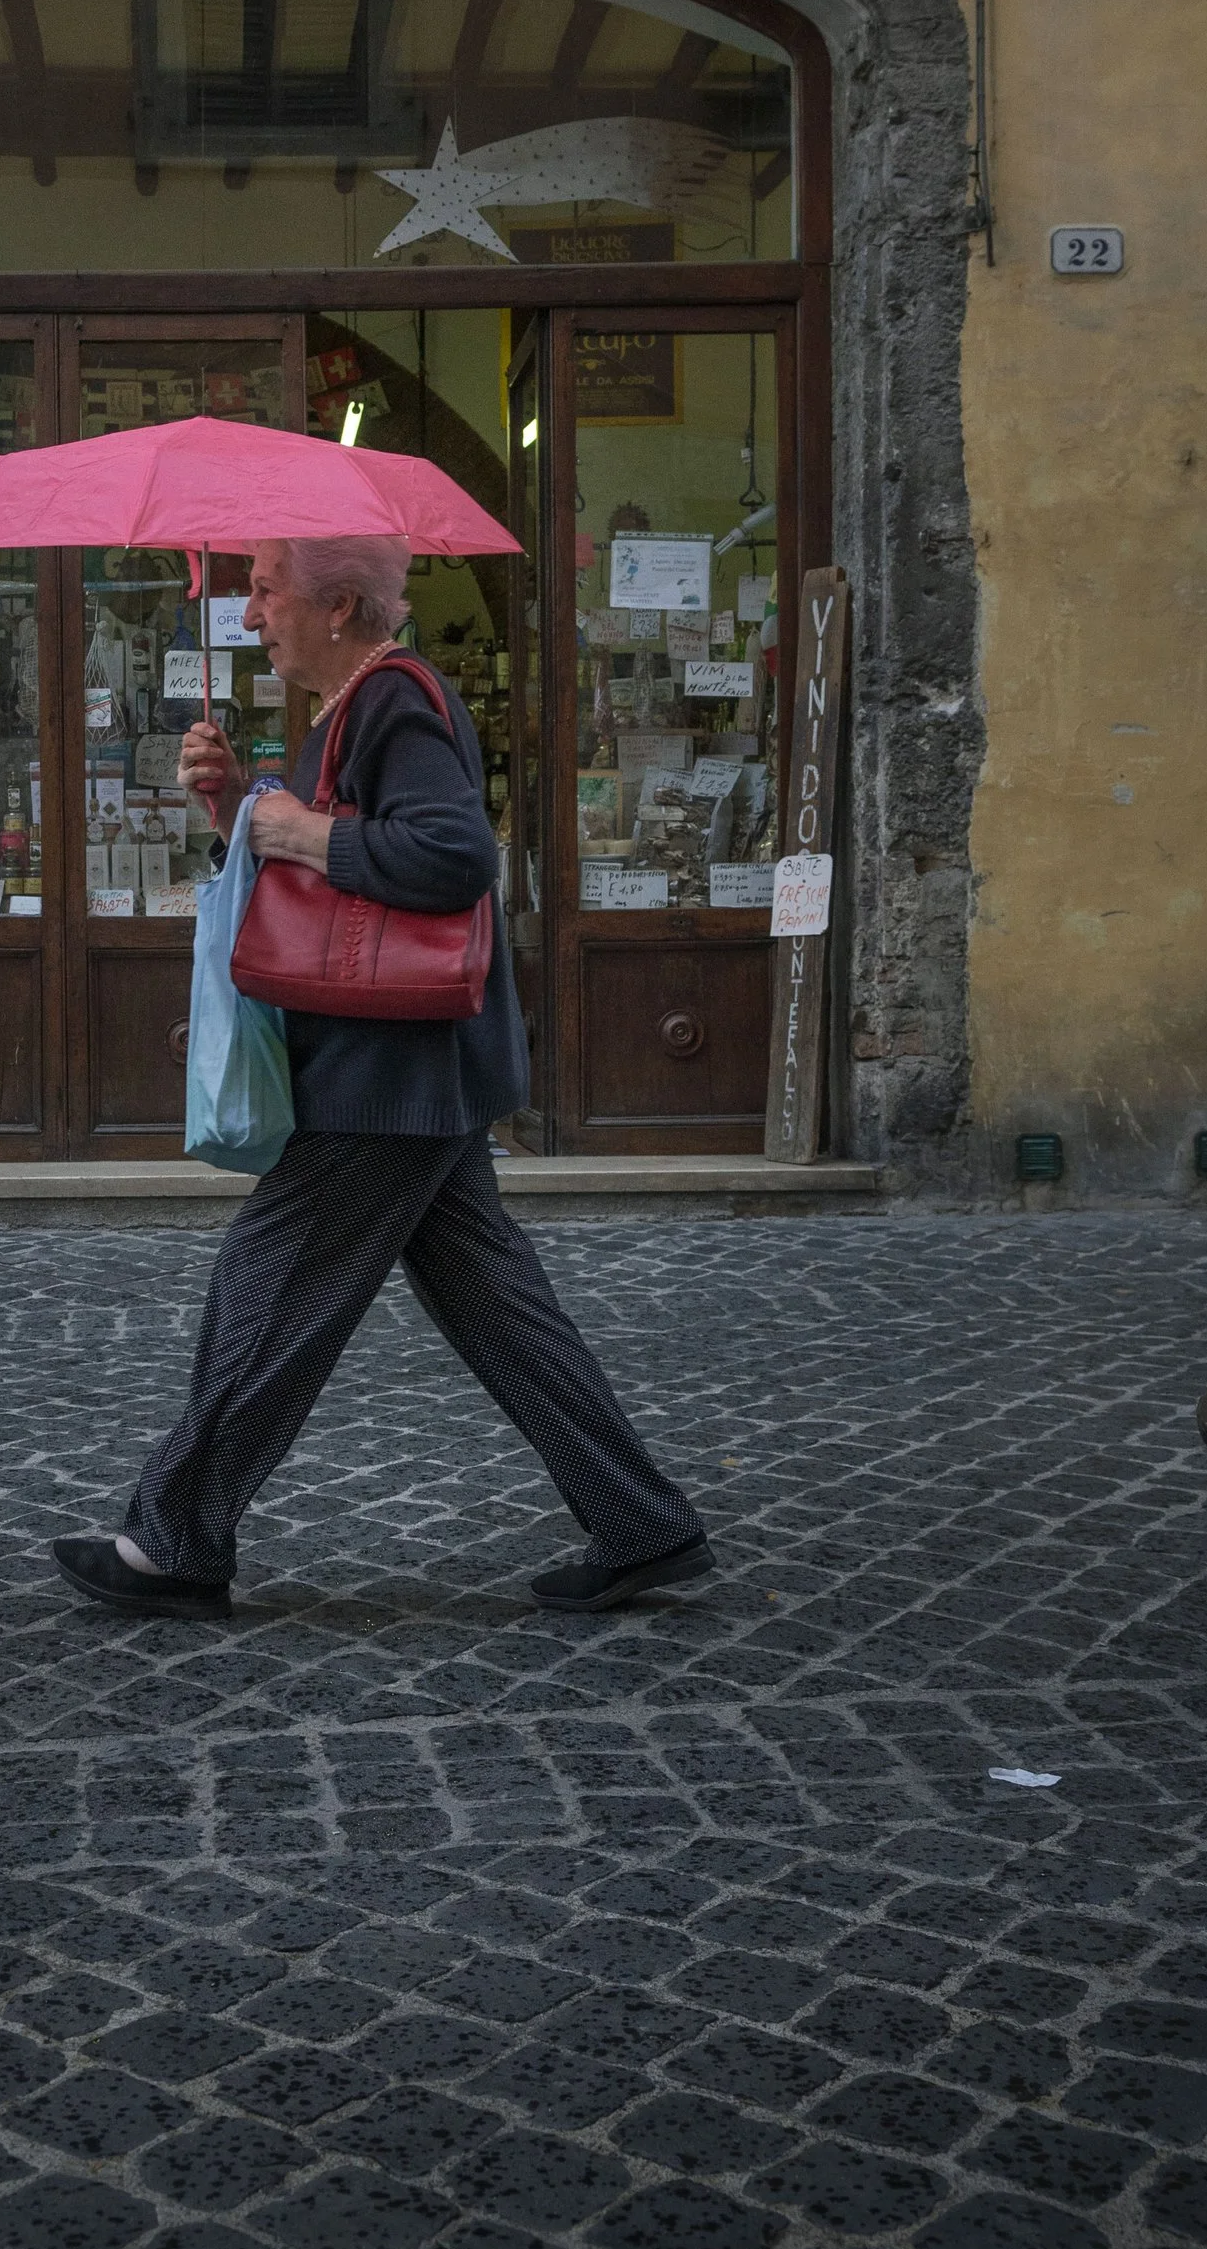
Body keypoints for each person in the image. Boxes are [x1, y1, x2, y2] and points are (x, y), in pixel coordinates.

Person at [52, 534, 713, 1621]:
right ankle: (641, 1520)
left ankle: (172, 1541)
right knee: (500, 1313)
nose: (252, 613)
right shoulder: (351, 707)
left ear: (340, 603)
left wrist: (291, 824)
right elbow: (334, 884)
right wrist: (238, 813)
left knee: (261, 1290)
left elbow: (453, 855)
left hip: (383, 1072)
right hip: (412, 1068)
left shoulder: (396, 699)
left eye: (266, 592)